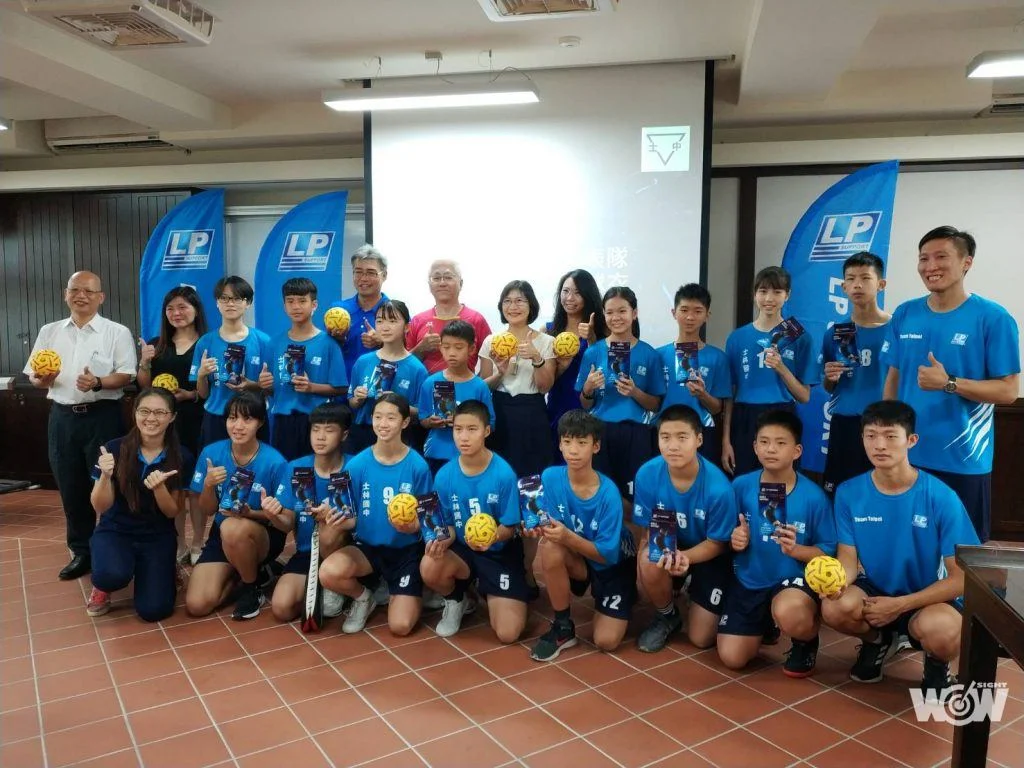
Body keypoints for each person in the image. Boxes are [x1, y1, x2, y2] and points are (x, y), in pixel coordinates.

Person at [822, 400, 981, 694]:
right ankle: (879, 642)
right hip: (875, 593)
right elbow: (848, 560)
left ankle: (936, 664)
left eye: (890, 436)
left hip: (927, 597)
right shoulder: (848, 493)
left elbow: (961, 579)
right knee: (835, 607)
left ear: (911, 440)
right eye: (871, 435)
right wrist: (836, 583)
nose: (879, 445)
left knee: (945, 631)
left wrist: (900, 605)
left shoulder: (941, 496)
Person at [881, 226, 1020, 542]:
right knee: (910, 547)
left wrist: (950, 383)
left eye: (941, 257)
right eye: (923, 258)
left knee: (961, 553)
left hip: (962, 460)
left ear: (966, 262)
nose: (930, 266)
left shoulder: (993, 318)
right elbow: (894, 377)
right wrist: (886, 435)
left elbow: (1008, 391)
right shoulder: (905, 313)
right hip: (907, 458)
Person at [24, 270, 136, 580]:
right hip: (63, 418)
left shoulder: (116, 332)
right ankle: (82, 551)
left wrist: (98, 382)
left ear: (101, 297)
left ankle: (117, 546)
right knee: (71, 486)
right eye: (75, 290)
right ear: (66, 294)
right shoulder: (49, 331)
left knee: (111, 483)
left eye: (88, 291)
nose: (81, 295)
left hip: (103, 416)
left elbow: (126, 374)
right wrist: (42, 380)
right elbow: (34, 376)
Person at [716, 410, 835, 677]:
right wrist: (735, 540)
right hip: (748, 581)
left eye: (781, 443)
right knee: (732, 658)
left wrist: (796, 550)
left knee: (791, 613)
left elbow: (828, 552)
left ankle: (805, 641)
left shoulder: (814, 497)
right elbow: (723, 536)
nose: (771, 449)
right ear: (754, 447)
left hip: (791, 584)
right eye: (764, 442)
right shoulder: (740, 486)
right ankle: (765, 624)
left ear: (797, 451)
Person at [318, 394, 433, 636]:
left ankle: (408, 588)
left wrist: (412, 526)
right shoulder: (357, 465)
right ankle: (363, 598)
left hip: (405, 551)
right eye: (378, 417)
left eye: (391, 417)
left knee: (400, 626)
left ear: (404, 422)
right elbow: (350, 518)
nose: (383, 424)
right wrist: (333, 516)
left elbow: (427, 520)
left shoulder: (418, 466)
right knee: (328, 572)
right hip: (367, 550)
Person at [528, 410, 638, 661]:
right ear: (559, 444)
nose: (573, 450)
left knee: (606, 641)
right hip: (580, 557)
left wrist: (566, 536)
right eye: (567, 442)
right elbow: (549, 523)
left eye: (581, 442)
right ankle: (563, 627)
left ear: (595, 446)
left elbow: (607, 555)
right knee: (550, 548)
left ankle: (627, 593)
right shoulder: (550, 477)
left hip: (613, 565)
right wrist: (534, 526)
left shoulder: (608, 493)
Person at [632, 405, 737, 653]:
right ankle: (667, 615)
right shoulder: (647, 474)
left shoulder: (719, 488)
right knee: (647, 564)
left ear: (698, 439)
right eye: (665, 437)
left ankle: (697, 586)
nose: (673, 446)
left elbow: (718, 543)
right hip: (670, 544)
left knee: (701, 638)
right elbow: (647, 530)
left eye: (682, 437)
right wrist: (643, 567)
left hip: (708, 554)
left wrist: (684, 558)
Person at [421, 400, 528, 641]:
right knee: (429, 564)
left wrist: (492, 537)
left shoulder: (504, 474)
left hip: (498, 552)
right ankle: (457, 600)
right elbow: (448, 525)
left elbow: (510, 527)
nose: (464, 437)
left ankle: (491, 589)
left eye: (472, 429)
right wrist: (441, 540)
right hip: (463, 551)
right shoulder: (444, 475)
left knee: (508, 633)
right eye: (458, 429)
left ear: (486, 431)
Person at [86, 388, 194, 621]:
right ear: (134, 412)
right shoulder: (113, 449)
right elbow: (100, 506)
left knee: (154, 610)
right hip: (116, 530)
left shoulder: (182, 456)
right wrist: (105, 476)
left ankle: (162, 568)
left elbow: (172, 512)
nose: (151, 418)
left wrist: (159, 489)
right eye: (144, 411)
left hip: (156, 535)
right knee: (110, 575)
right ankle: (102, 585)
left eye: (160, 412)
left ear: (172, 417)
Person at [186, 392, 289, 620]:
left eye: (247, 419)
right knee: (197, 605)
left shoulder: (275, 462)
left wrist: (251, 513)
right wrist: (208, 485)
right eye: (232, 418)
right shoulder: (211, 453)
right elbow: (208, 510)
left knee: (233, 527)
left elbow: (286, 521)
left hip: (262, 533)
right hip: (222, 533)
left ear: (260, 422)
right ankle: (248, 573)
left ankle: (251, 588)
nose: (238, 426)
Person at [722, 267, 820, 477]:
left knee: (782, 482)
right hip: (745, 416)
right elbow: (730, 393)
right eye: (763, 291)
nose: (769, 298)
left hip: (783, 414)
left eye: (777, 292)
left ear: (787, 295)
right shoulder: (737, 338)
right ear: (754, 294)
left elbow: (804, 396)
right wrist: (726, 440)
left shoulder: (799, 337)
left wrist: (781, 368)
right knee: (745, 481)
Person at [136, 285, 209, 563]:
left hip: (198, 421)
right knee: (174, 484)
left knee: (196, 487)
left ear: (196, 310)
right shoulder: (158, 344)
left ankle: (198, 542)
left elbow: (212, 388)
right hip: (165, 425)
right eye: (170, 308)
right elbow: (145, 387)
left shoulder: (207, 343)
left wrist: (190, 395)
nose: (176, 313)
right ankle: (179, 543)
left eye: (182, 307)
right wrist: (145, 362)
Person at [262, 402, 353, 623]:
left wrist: (334, 517)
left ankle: (339, 586)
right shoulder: (295, 468)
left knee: (330, 528)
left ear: (344, 434)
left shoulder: (356, 466)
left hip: (348, 553)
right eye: (315, 429)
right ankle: (325, 587)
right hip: (308, 554)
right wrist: (274, 514)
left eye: (329, 430)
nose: (320, 437)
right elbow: (287, 524)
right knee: (281, 608)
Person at [576, 286, 665, 507]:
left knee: (636, 497)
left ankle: (633, 532)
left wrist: (635, 392)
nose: (616, 317)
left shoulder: (649, 354)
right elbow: (585, 404)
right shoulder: (593, 352)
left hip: (637, 433)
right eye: (610, 312)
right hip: (600, 431)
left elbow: (656, 405)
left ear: (634, 313)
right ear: (604, 315)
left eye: (622, 311)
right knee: (601, 494)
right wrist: (588, 388)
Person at [820, 252, 891, 497]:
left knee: (881, 492)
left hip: (884, 424)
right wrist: (830, 377)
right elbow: (828, 386)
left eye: (865, 278)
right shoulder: (836, 332)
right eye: (850, 279)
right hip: (845, 423)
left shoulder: (897, 329)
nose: (857, 285)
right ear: (843, 287)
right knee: (840, 492)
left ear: (881, 284)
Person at [258, 278, 348, 461]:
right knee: (285, 471)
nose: (296, 306)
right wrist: (264, 385)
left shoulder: (328, 344)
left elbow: (341, 388)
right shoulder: (274, 344)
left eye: (302, 301)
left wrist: (311, 387)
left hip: (318, 422)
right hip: (283, 421)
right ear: (284, 306)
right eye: (290, 301)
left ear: (314, 305)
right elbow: (271, 390)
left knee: (314, 472)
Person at [190, 276, 271, 447]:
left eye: (237, 298)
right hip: (216, 416)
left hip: (252, 417)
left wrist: (253, 385)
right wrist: (201, 375)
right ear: (217, 303)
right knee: (215, 462)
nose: (230, 304)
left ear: (248, 303)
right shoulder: (205, 342)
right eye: (224, 298)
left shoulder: (263, 341)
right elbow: (203, 394)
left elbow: (272, 389)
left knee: (254, 462)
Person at [657, 284, 732, 468]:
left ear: (707, 315)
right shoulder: (658, 356)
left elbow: (717, 408)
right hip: (664, 432)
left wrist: (702, 394)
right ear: (674, 313)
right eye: (684, 310)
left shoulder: (717, 358)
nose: (690, 317)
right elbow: (653, 402)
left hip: (702, 432)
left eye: (698, 311)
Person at [348, 299, 428, 454]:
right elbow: (352, 402)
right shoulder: (363, 361)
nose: (385, 327)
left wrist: (398, 403)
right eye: (380, 321)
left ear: (407, 327)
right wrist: (357, 398)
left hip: (400, 436)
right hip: (364, 432)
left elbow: (422, 413)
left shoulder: (417, 369)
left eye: (392, 321)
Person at [417, 320, 495, 476]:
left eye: (458, 347)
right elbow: (422, 419)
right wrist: (430, 422)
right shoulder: (430, 383)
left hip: (470, 455)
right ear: (440, 348)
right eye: (446, 347)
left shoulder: (479, 387)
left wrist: (465, 424)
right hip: (437, 453)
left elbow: (490, 424)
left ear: (471, 349)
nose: (451, 353)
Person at [546, 269, 608, 460]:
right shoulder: (548, 331)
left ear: (588, 295)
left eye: (577, 292)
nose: (569, 298)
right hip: (557, 405)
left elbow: (605, 368)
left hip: (589, 405)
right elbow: (544, 382)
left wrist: (591, 339)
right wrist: (562, 366)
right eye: (565, 291)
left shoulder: (603, 329)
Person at [407, 260, 492, 374]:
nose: (442, 283)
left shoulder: (476, 319)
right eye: (436, 278)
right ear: (429, 285)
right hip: (425, 385)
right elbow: (403, 365)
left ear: (461, 283)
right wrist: (421, 348)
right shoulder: (417, 320)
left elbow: (490, 362)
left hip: (464, 385)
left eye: (448, 277)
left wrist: (475, 384)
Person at [327, 245, 389, 379]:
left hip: (381, 387)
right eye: (358, 272)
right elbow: (325, 353)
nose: (363, 278)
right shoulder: (337, 311)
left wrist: (383, 341)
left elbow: (407, 354)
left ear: (384, 275)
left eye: (371, 273)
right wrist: (339, 340)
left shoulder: (395, 312)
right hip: (343, 386)